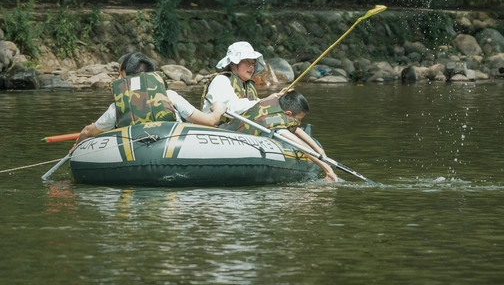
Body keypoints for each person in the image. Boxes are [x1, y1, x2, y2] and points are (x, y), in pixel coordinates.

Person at [72, 52, 225, 148]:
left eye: (120, 75)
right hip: (174, 150)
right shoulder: (169, 96)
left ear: (126, 78)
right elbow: (210, 121)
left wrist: (75, 148)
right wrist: (218, 109)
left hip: (134, 156)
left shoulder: (118, 106)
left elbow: (87, 132)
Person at [224, 88, 338, 182]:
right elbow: (301, 146)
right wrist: (328, 170)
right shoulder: (275, 122)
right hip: (233, 142)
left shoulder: (274, 103)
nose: (299, 123)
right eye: (299, 119)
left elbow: (295, 129)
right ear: (288, 113)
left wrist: (320, 150)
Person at [201, 41, 264, 116]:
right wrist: (263, 103)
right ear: (232, 63)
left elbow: (254, 103)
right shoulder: (221, 80)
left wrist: (270, 100)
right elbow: (230, 108)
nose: (251, 67)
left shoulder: (246, 85)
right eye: (247, 62)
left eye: (253, 64)